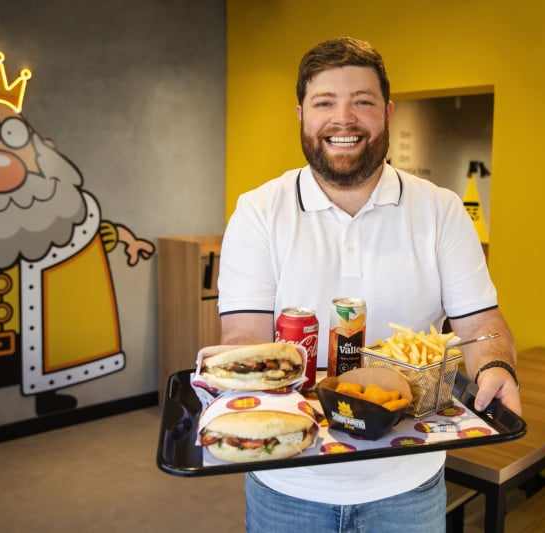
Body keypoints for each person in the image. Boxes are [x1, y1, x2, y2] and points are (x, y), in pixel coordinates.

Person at [218, 36, 522, 533]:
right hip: (288, 483)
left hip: (409, 485)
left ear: (388, 112)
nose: (344, 118)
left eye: (362, 101)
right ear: (301, 114)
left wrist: (494, 364)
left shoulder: (441, 210)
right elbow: (244, 336)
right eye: (325, 103)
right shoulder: (259, 211)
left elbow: (481, 324)